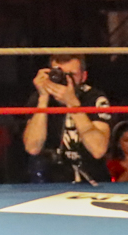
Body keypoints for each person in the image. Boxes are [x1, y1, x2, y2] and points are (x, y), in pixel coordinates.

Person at [23, 54, 109, 184]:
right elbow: (32, 147)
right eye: (61, 74)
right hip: (51, 183)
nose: (66, 79)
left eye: (71, 75)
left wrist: (72, 104)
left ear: (83, 76)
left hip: (91, 181)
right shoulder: (39, 98)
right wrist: (43, 99)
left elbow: (98, 150)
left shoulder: (95, 98)